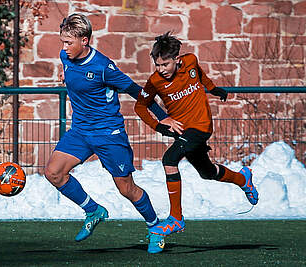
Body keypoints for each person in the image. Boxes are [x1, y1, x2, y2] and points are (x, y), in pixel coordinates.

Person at [44, 13, 169, 254]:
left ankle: (155, 227)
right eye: (63, 42)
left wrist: (163, 117)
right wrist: (65, 76)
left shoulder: (103, 67)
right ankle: (93, 210)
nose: (64, 47)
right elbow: (70, 72)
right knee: (53, 173)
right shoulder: (65, 57)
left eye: (69, 42)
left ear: (85, 40)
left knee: (126, 189)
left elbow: (136, 90)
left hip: (108, 134)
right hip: (80, 131)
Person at [134, 32, 259, 252]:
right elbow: (140, 107)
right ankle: (243, 179)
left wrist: (212, 88)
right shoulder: (154, 81)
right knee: (207, 172)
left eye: (165, 64)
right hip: (182, 131)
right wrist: (161, 124)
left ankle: (176, 218)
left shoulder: (190, 60)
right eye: (157, 64)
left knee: (169, 160)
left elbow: (199, 75)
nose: (160, 69)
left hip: (201, 126)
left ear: (177, 60)